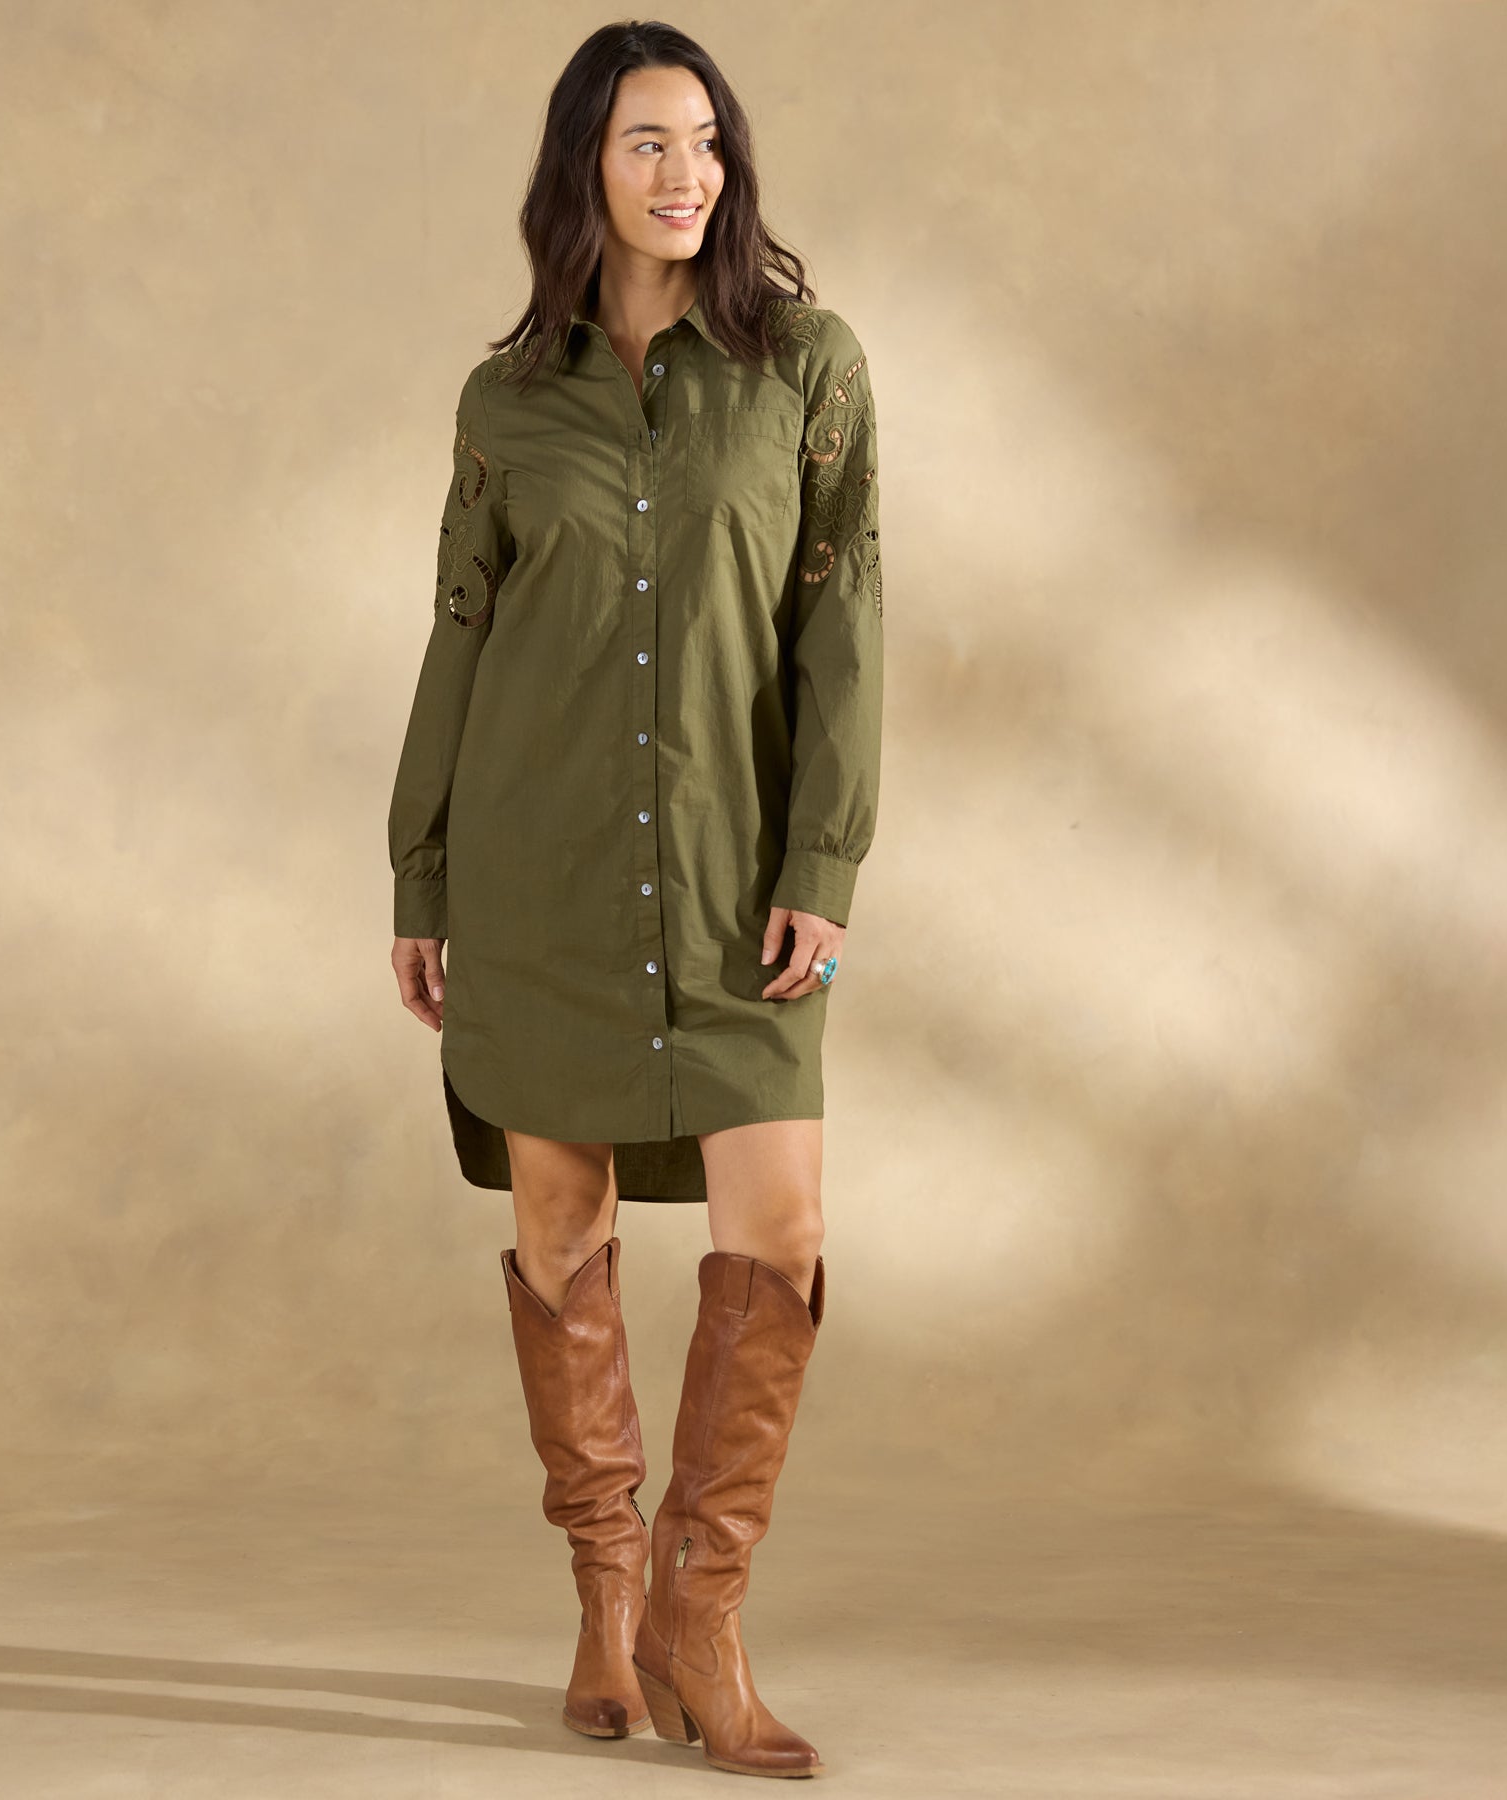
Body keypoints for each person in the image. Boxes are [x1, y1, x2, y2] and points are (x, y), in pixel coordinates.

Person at [386, 19, 882, 1781]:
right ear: (582, 169)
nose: (686, 175)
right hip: (543, 870)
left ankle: (700, 1609)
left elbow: (842, 617)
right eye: (646, 144)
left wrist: (823, 861)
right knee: (559, 1224)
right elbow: (462, 635)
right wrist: (423, 869)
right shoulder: (507, 401)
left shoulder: (806, 367)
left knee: (782, 1232)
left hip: (740, 876)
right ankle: (602, 1595)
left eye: (705, 141)